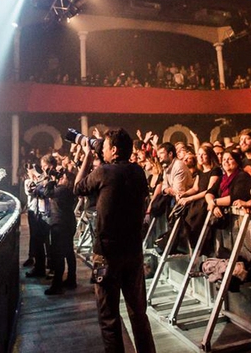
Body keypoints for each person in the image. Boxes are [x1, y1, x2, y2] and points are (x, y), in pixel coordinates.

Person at [74, 128, 156, 353]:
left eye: (106, 147)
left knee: (109, 317)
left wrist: (88, 155)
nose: (103, 150)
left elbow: (78, 187)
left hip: (107, 254)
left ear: (115, 150)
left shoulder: (104, 172)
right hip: (133, 252)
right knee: (138, 313)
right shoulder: (138, 171)